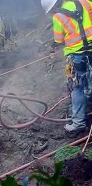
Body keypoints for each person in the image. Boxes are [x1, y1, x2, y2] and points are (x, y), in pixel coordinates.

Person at [41, 0, 92, 133]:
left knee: (77, 87)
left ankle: (78, 122)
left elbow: (58, 40)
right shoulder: (85, 3)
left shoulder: (58, 17)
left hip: (76, 56)